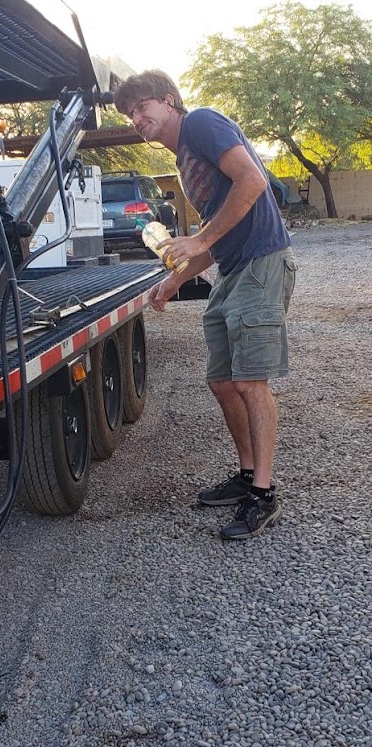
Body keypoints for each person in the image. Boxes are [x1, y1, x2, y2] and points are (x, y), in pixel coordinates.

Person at [114, 70, 296, 541]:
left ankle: (264, 494)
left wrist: (198, 237)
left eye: (142, 106)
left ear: (170, 101)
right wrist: (174, 281)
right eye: (130, 114)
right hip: (233, 270)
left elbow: (253, 181)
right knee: (220, 381)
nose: (136, 118)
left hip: (261, 264)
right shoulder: (184, 159)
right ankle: (246, 472)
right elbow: (216, 239)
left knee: (249, 382)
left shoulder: (201, 124)